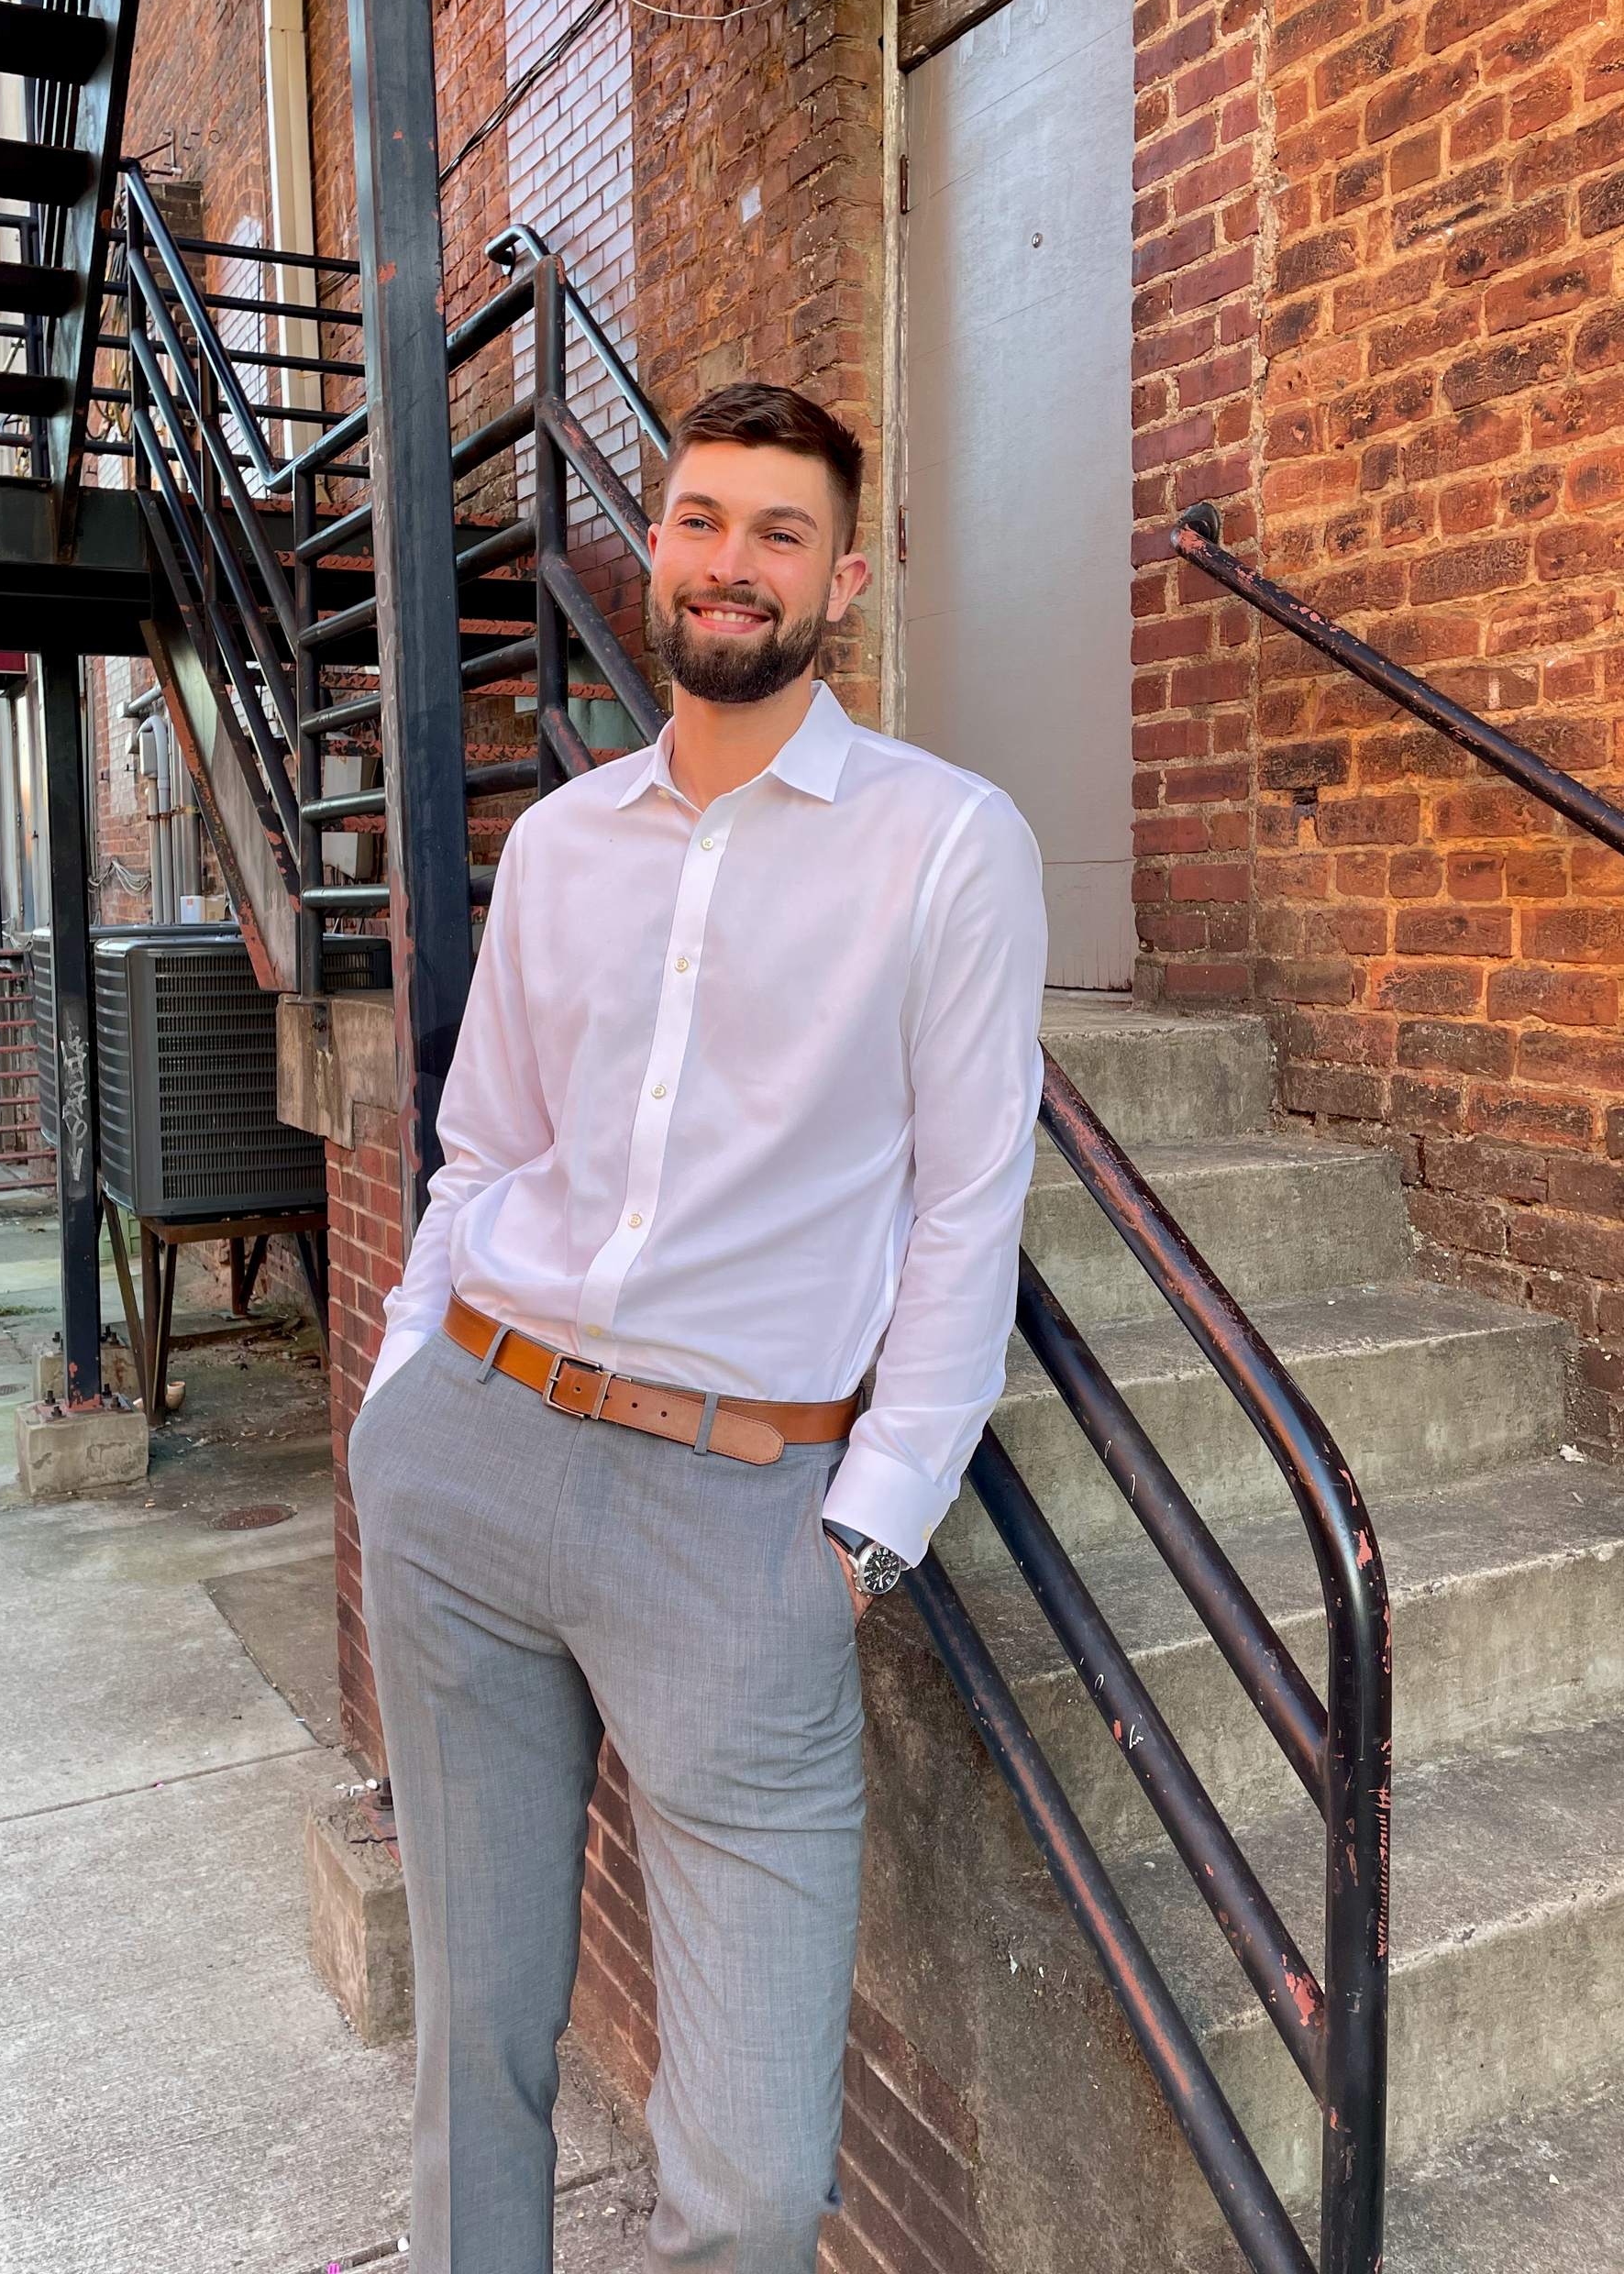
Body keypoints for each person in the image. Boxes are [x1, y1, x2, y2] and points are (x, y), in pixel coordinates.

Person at [348, 381, 1047, 2272]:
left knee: (748, 2173)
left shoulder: (947, 844)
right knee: (475, 2044)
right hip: (474, 1451)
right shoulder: (567, 843)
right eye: (702, 518)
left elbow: (974, 1205)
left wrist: (863, 1529)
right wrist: (400, 1395)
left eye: (779, 531)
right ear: (656, 544)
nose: (731, 561)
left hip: (738, 1520)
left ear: (843, 579)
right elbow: (485, 1142)